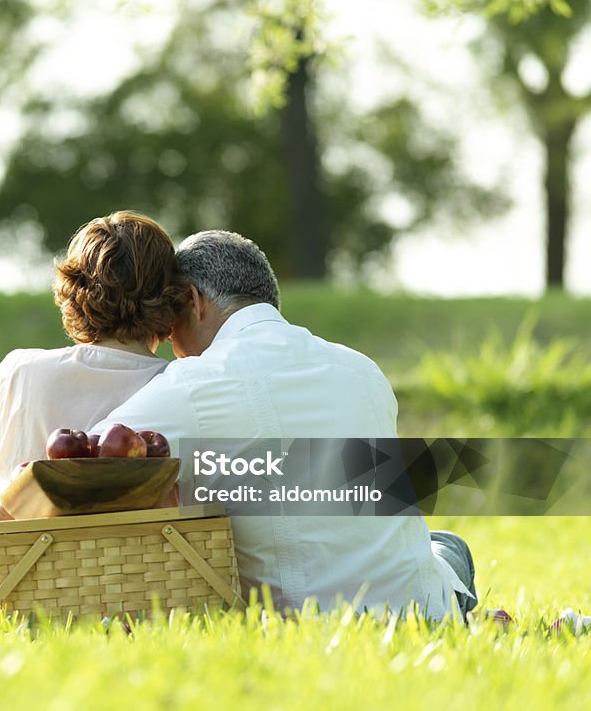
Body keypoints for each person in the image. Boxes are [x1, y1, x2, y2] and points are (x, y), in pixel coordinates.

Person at [90, 230, 477, 620]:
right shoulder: (361, 368)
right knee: (447, 545)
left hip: (313, 618)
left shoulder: (195, 383)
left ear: (193, 300)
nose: (170, 337)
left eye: (170, 318)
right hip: (424, 609)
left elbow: (80, 462)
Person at [0, 210, 189, 606]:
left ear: (75, 290)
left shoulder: (21, 370)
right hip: (124, 589)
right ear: (171, 298)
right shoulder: (181, 386)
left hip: (7, 590)